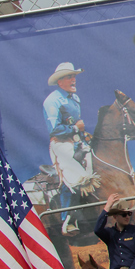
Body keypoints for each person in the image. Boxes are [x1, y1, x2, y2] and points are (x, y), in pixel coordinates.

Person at [43, 62, 97, 234]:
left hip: (75, 140)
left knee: (94, 160)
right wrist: (75, 129)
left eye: (73, 76)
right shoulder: (52, 100)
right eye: (69, 77)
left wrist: (83, 135)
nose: (73, 80)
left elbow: (77, 124)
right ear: (60, 81)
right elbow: (53, 128)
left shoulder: (75, 98)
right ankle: (68, 220)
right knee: (74, 175)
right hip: (60, 144)